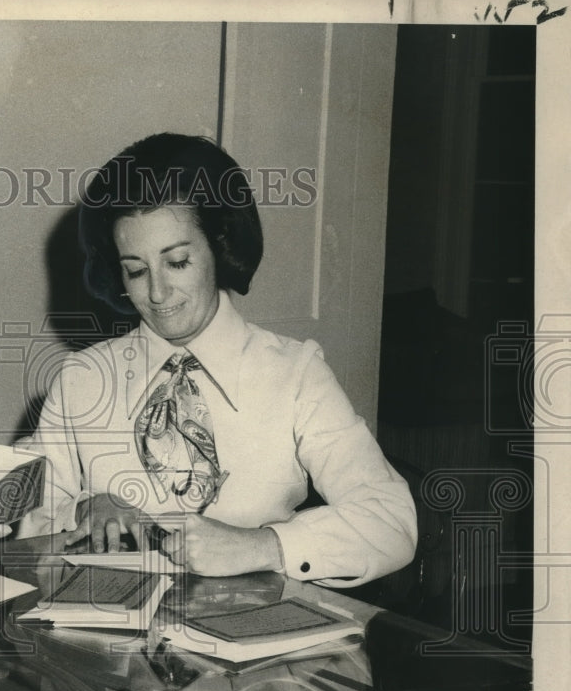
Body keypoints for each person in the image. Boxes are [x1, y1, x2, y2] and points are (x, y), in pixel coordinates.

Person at [21, 132, 418, 588]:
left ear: (220, 244)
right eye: (135, 270)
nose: (156, 293)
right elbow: (24, 517)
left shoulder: (295, 373)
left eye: (178, 262)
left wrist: (263, 546)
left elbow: (391, 520)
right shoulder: (82, 379)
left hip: (257, 639)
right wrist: (83, 510)